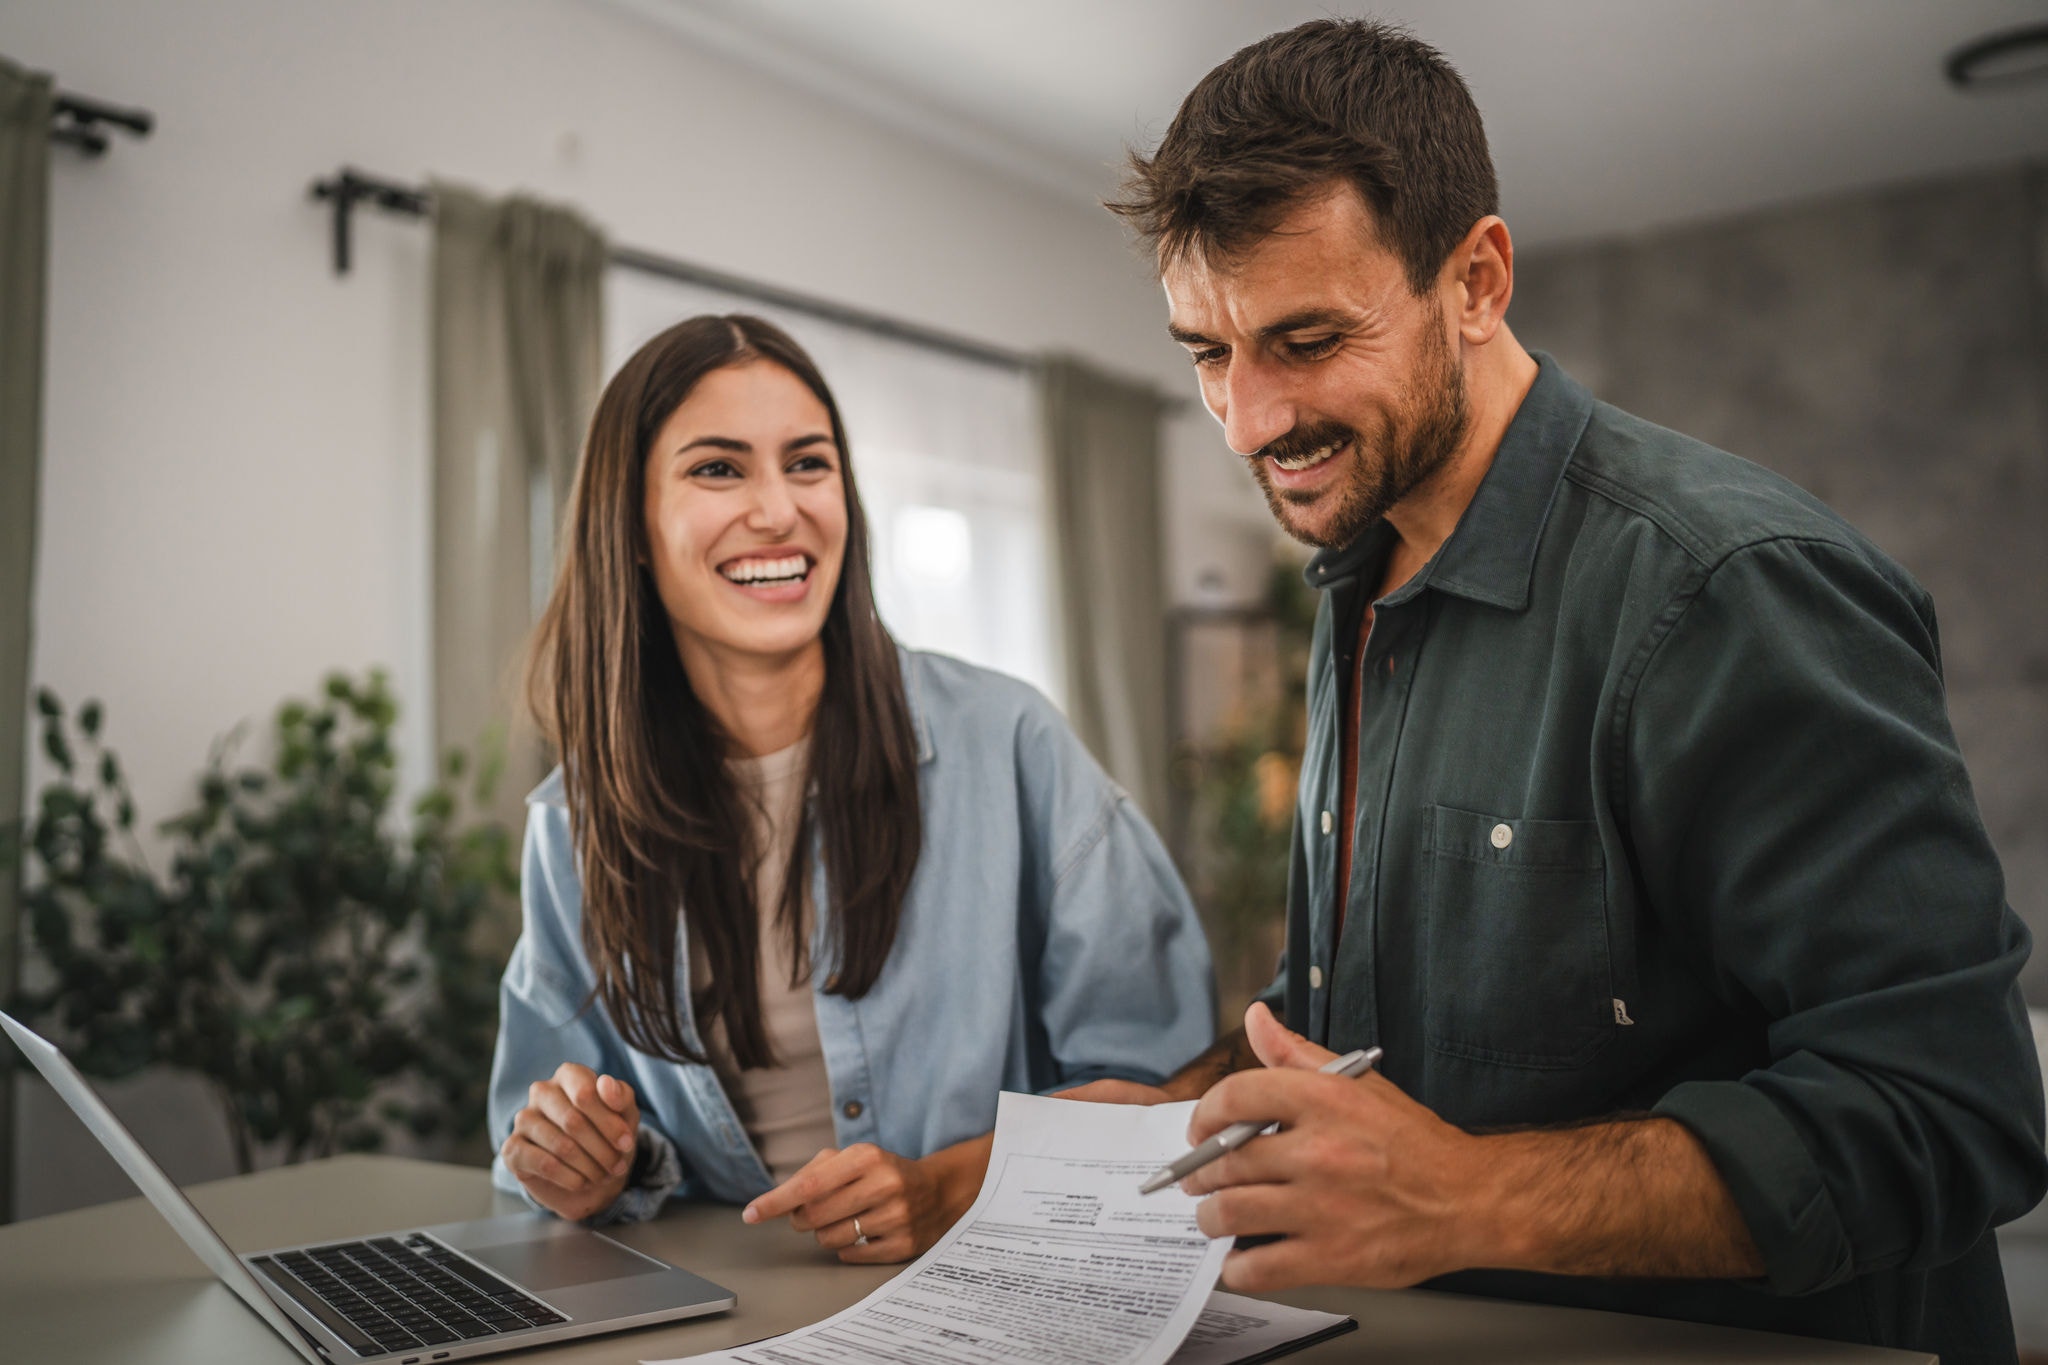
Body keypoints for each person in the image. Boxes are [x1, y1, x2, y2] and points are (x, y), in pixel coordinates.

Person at [1076, 18, 2047, 1362]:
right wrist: (1181, 1110)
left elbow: (1955, 1112)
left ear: (1476, 280)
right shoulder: (1355, 574)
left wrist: (1466, 1196)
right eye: (1207, 352)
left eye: (1307, 339)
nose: (1248, 419)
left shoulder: (1731, 590)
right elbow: (1400, 1028)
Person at [487, 314, 1214, 1262]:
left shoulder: (1009, 741)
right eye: (719, 468)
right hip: (726, 1312)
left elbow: (1171, 1090)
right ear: (628, 526)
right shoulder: (577, 822)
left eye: (808, 463)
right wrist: (583, 1165)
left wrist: (950, 1189)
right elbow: (534, 1131)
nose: (779, 510)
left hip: (997, 1293)